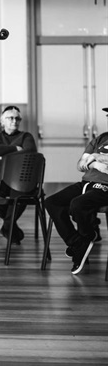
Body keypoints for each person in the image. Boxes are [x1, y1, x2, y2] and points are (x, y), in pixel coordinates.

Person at [45, 107, 108, 275]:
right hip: (86, 183)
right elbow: (81, 164)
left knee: (77, 204)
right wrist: (94, 164)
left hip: (105, 187)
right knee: (52, 202)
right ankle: (78, 242)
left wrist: (95, 157)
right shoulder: (100, 139)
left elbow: (90, 159)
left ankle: (87, 236)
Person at [0, 105, 37, 244]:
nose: (14, 121)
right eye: (10, 118)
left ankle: (7, 226)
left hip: (19, 174)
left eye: (17, 118)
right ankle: (12, 227)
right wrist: (16, 149)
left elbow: (30, 152)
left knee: (21, 193)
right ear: (2, 121)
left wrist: (1, 157)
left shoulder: (26, 136)